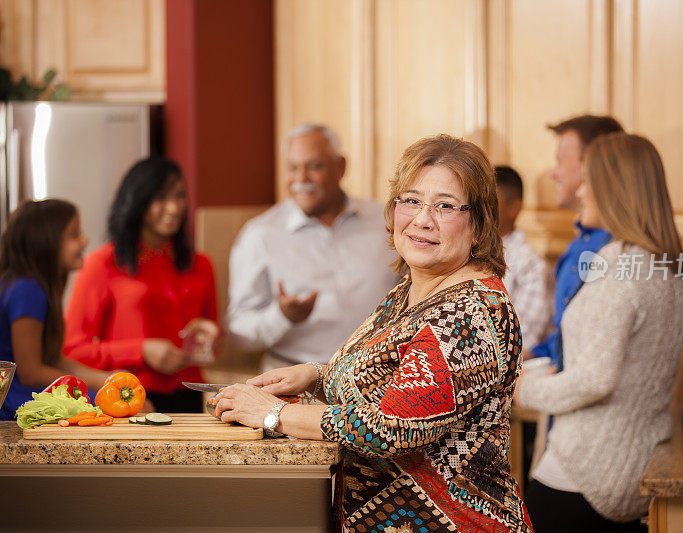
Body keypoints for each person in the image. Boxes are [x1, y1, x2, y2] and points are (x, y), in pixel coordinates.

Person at [213, 134, 533, 531]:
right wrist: (317, 374)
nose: (422, 219)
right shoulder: (411, 290)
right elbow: (387, 374)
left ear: (479, 221)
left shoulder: (469, 312)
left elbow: (392, 427)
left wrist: (274, 414)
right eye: (411, 200)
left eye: (445, 206)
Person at [516, 133, 683, 531]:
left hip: (583, 472)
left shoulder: (617, 269)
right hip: (635, 470)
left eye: (589, 181)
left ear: (614, 188)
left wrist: (520, 390)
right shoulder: (673, 271)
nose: (580, 191)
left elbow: (596, 379)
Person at [533, 114, 683, 449]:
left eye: (560, 161)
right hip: (561, 429)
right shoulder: (577, 247)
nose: (554, 172)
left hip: (606, 445)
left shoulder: (640, 257)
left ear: (596, 166)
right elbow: (570, 338)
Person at [227, 124, 398, 371]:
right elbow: (238, 333)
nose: (301, 179)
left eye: (314, 166)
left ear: (341, 167)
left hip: (378, 376)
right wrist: (282, 317)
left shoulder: (386, 221)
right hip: (294, 385)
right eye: (293, 168)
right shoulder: (260, 235)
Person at [64, 157, 220, 413]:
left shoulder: (201, 264)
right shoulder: (102, 264)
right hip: (127, 396)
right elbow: (72, 350)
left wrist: (210, 339)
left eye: (179, 196)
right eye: (160, 197)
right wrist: (141, 350)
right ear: (137, 201)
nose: (173, 207)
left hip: (190, 396)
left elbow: (214, 340)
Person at [0, 200, 111, 420]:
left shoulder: (28, 285)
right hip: (15, 399)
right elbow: (31, 373)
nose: (85, 240)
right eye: (74, 234)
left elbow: (53, 359)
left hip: (23, 391)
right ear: (45, 242)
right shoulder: (27, 291)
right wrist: (101, 383)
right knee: (116, 407)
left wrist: (108, 378)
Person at [495, 165, 550, 348]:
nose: (482, 210)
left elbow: (524, 336)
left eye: (491, 202)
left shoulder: (530, 263)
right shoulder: (463, 249)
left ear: (514, 208)